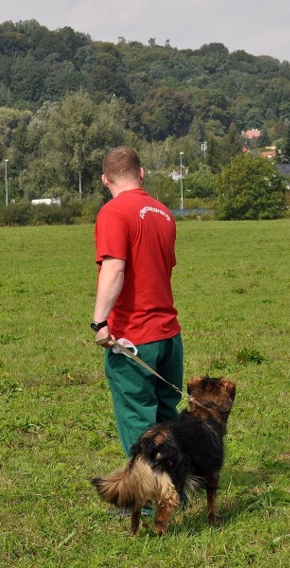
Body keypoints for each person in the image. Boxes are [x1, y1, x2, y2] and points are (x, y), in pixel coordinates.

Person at [92, 146, 184, 458]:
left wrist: (100, 321)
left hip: (133, 337)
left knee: (137, 420)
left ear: (105, 180)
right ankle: (173, 491)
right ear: (141, 173)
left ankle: (146, 503)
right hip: (169, 336)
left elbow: (114, 267)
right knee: (167, 419)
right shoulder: (164, 213)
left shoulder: (113, 212)